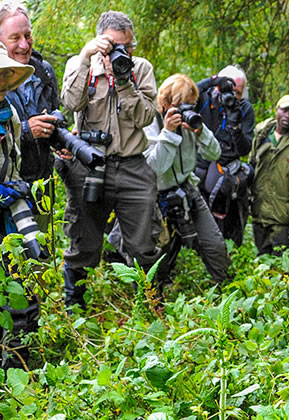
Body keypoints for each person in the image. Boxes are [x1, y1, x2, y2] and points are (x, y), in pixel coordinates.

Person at [57, 10, 161, 309]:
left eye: (128, 46)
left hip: (133, 164)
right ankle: (74, 306)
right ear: (101, 41)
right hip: (91, 164)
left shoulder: (141, 69)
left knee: (144, 243)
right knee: (84, 241)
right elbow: (71, 102)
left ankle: (150, 302)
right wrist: (85, 55)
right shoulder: (82, 66)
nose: (123, 52)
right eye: (115, 45)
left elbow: (144, 117)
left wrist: (125, 80)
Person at [140, 73, 231, 285]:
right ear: (165, 102)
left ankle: (225, 287)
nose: (186, 111)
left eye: (190, 105)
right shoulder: (150, 121)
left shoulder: (190, 121)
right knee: (157, 251)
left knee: (214, 243)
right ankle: (155, 297)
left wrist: (200, 132)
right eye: (181, 105)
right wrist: (169, 132)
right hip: (156, 195)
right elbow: (156, 168)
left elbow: (214, 154)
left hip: (186, 189)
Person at [0, 1, 63, 231]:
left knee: (39, 259)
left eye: (28, 35)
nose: (24, 45)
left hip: (41, 189)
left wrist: (59, 138)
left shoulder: (44, 71)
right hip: (6, 190)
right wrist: (27, 131)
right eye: (15, 38)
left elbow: (53, 111)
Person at [0, 41, 38, 369]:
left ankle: (20, 368)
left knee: (22, 287)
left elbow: (14, 165)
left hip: (9, 216)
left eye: (4, 75)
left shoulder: (9, 113)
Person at [195, 65, 255, 246]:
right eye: (229, 90)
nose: (233, 97)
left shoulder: (244, 108)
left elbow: (244, 149)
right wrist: (212, 82)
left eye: (238, 92)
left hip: (227, 167)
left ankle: (227, 245)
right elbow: (181, 96)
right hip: (201, 163)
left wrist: (235, 126)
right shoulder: (205, 99)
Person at [249, 95, 289, 256]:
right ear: (277, 110)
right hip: (259, 213)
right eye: (285, 110)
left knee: (279, 265)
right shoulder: (261, 135)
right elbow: (251, 166)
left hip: (283, 218)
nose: (288, 115)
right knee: (262, 261)